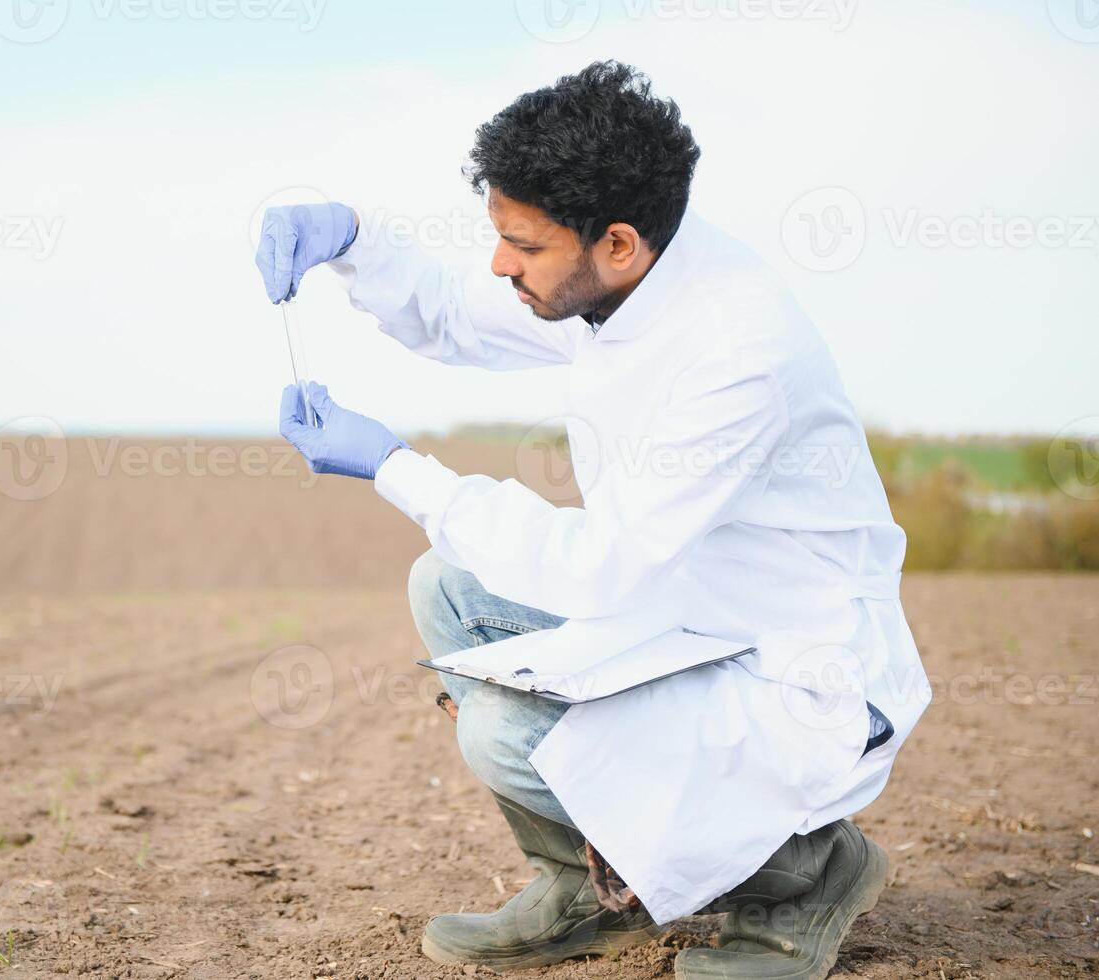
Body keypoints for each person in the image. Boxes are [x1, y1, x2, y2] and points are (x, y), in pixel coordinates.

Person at [254, 61, 928, 980]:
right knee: (450, 589)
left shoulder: (734, 351)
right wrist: (351, 239)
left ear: (614, 242)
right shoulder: (621, 279)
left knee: (505, 732)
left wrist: (396, 468)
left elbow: (602, 567)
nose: (501, 264)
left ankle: (803, 875)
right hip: (682, 611)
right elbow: (456, 314)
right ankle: (586, 891)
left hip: (788, 667)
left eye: (521, 245)